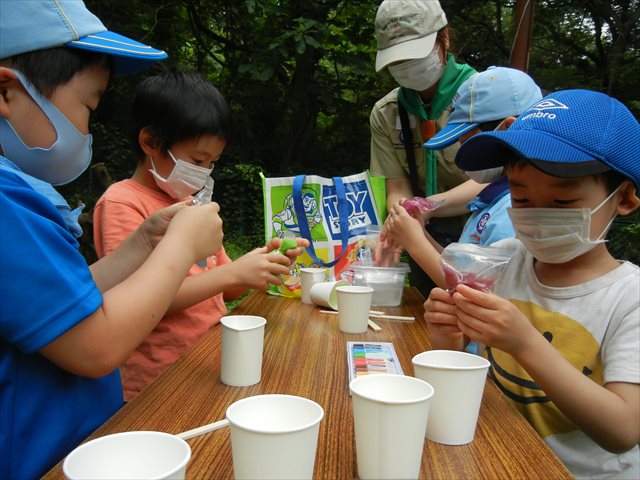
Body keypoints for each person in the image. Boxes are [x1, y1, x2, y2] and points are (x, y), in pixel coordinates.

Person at [1, 3, 272, 478]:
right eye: (89, 105)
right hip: (40, 458)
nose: (87, 127)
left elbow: (70, 300)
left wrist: (144, 244)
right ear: (6, 91)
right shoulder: (8, 202)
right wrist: (181, 248)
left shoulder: (20, 194)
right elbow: (96, 346)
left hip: (79, 444)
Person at [424, 89, 640, 478]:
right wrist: (448, 335)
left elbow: (623, 431)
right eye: (521, 199)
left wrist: (525, 343)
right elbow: (468, 363)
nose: (538, 215)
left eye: (561, 203)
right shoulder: (507, 257)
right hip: (498, 457)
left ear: (623, 198)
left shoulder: (629, 298)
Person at [93, 70, 305, 400]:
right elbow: (141, 302)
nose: (205, 172)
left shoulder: (191, 205)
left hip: (207, 357)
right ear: (150, 142)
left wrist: (260, 263)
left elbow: (225, 287)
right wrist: (231, 273)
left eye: (212, 162)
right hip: (158, 379)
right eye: (197, 159)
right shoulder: (123, 202)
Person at [382, 66, 543, 290]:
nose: (461, 150)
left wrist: (416, 243)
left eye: (468, 141)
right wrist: (421, 234)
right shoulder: (491, 201)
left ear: (508, 127)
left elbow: (477, 294)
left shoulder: (514, 211)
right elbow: (462, 273)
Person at [369, 0, 477, 297]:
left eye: (415, 55)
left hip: (480, 238)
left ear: (444, 39)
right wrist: (400, 217)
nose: (407, 68)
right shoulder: (388, 112)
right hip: (423, 240)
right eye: (397, 61)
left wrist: (426, 207)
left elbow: (496, 181)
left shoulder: (482, 98)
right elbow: (397, 186)